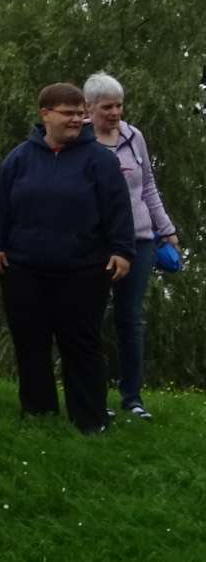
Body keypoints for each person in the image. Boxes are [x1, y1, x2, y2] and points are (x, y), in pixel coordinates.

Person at [0, 83, 133, 435]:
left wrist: (122, 251)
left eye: (80, 114)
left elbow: (118, 210)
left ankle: (90, 419)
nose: (76, 120)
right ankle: (38, 413)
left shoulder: (100, 160)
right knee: (30, 341)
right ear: (45, 114)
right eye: (68, 114)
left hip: (83, 269)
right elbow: (0, 207)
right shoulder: (19, 158)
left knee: (81, 344)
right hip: (23, 268)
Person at [86, 72, 180, 421]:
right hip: (95, 242)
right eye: (106, 106)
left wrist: (166, 229)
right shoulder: (82, 140)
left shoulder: (134, 136)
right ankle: (94, 394)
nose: (114, 113)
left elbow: (148, 186)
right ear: (89, 107)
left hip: (139, 240)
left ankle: (133, 397)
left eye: (119, 105)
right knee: (90, 319)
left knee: (131, 319)